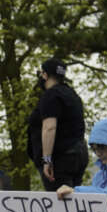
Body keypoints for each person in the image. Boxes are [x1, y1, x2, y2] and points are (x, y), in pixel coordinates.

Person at [28, 57, 87, 191]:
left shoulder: (51, 95)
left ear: (45, 75)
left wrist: (47, 160)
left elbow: (49, 127)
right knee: (73, 198)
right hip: (78, 153)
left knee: (60, 202)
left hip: (60, 158)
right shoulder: (72, 95)